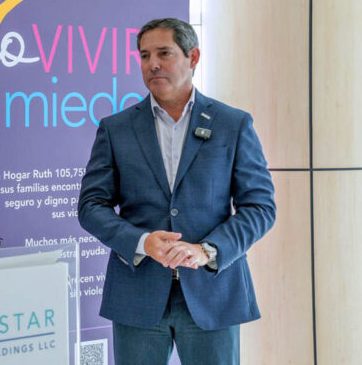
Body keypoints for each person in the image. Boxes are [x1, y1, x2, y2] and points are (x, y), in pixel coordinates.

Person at [77, 18, 275, 364]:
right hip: (136, 296)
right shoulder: (116, 128)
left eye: (164, 53)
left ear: (193, 57)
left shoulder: (233, 124)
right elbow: (91, 206)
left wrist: (207, 250)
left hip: (213, 294)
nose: (152, 63)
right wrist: (141, 242)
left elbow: (259, 207)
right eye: (144, 55)